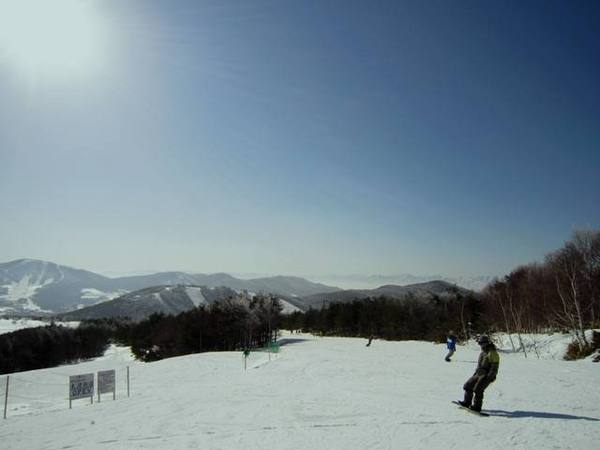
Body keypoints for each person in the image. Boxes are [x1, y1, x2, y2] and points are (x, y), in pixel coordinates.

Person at [458, 335, 499, 412]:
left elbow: (494, 367)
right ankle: (467, 402)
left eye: (483, 343)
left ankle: (477, 407)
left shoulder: (492, 353)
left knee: (478, 389)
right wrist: (475, 373)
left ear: (487, 343)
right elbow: (479, 365)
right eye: (480, 343)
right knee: (468, 385)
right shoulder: (483, 352)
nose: (481, 345)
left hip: (487, 375)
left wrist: (489, 377)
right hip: (478, 374)